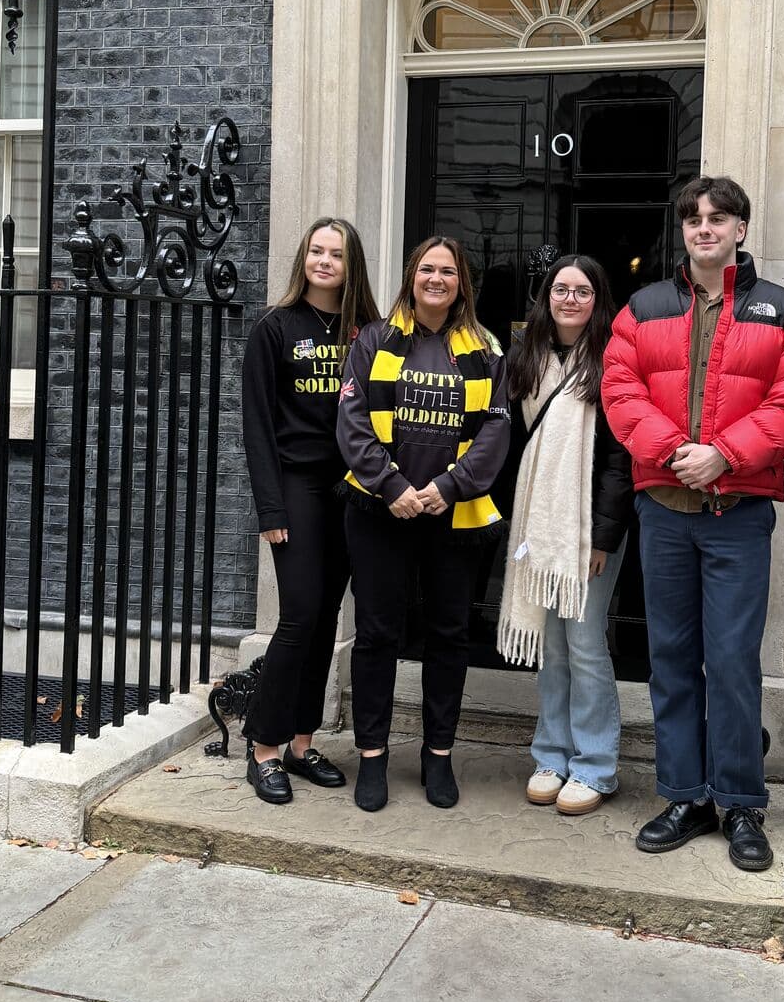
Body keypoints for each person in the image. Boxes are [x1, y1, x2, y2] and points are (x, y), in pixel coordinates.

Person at [601, 175, 784, 871]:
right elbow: (620, 389)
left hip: (737, 515)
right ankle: (684, 796)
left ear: (740, 230)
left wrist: (724, 453)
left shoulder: (782, 311)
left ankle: (742, 803)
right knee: (670, 661)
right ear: (683, 231)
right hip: (664, 513)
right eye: (694, 218)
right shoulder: (642, 308)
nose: (704, 228)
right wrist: (675, 454)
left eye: (717, 218)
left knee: (730, 664)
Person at [338, 235, 509, 813]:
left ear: (463, 283)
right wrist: (393, 488)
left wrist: (446, 488)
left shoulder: (485, 348)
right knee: (378, 635)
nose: (437, 279)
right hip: (380, 513)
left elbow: (495, 432)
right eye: (427, 269)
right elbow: (352, 421)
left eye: (449, 272)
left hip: (452, 516)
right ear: (412, 275)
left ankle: (439, 755)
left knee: (448, 636)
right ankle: (372, 756)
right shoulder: (373, 339)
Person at [240, 217, 380, 805]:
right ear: (304, 258)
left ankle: (301, 742)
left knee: (326, 617)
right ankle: (263, 746)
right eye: (316, 251)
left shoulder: (367, 331)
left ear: (351, 266)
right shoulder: (274, 329)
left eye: (337, 254)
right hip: (296, 487)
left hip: (350, 490)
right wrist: (270, 507)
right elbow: (257, 425)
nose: (324, 261)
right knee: (298, 615)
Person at [497, 255, 632, 816]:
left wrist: (601, 537)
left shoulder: (614, 361)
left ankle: (596, 765)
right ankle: (551, 755)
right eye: (560, 289)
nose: (570, 299)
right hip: (538, 525)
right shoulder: (523, 356)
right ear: (546, 296)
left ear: (598, 299)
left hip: (591, 530)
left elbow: (620, 458)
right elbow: (506, 443)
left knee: (583, 641)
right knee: (551, 647)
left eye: (582, 290)